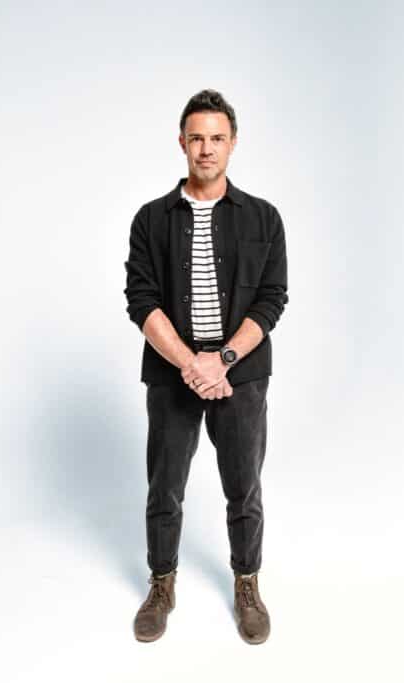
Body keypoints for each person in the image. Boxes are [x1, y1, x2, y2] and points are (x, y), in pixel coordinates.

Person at [123, 89, 289, 644]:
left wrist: (222, 361)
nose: (206, 148)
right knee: (164, 485)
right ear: (182, 142)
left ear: (233, 143)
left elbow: (272, 299)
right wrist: (190, 363)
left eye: (217, 138)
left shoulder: (264, 218)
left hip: (240, 375)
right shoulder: (151, 220)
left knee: (243, 486)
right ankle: (161, 583)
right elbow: (141, 300)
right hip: (173, 372)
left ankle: (247, 584)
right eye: (197, 138)